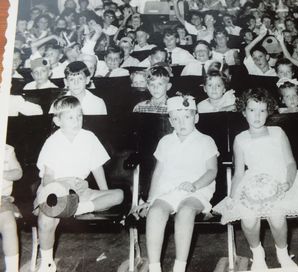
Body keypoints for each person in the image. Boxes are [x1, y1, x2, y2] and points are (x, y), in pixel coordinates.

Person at [213, 88, 298, 270]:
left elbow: (290, 163)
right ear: (244, 112)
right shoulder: (240, 139)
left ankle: (283, 254)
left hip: (280, 179)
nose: (257, 116)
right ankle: (257, 254)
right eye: (252, 110)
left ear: (268, 111)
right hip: (252, 182)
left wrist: (289, 182)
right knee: (248, 218)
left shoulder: (277, 132)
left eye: (262, 110)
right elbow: (238, 173)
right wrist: (231, 197)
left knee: (277, 216)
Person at [35, 95, 124, 272]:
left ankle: (82, 208)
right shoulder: (53, 142)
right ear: (57, 121)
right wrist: (61, 189)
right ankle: (46, 262)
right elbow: (48, 177)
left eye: (79, 116)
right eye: (70, 117)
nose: (77, 121)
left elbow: (97, 167)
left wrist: (103, 191)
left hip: (80, 189)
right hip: (55, 189)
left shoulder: (89, 137)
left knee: (119, 195)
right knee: (46, 219)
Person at [141, 95, 219, 272]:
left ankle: (179, 267)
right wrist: (150, 199)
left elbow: (212, 171)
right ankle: (154, 267)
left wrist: (195, 185)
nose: (181, 123)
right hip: (169, 190)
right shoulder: (165, 142)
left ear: (196, 117)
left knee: (185, 211)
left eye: (187, 117)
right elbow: (159, 172)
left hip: (197, 191)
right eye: (176, 119)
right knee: (155, 212)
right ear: (170, 121)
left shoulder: (205, 141)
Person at [1, 145, 23, 272]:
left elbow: (18, 173)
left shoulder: (7, 150)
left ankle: (12, 269)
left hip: (2, 199)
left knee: (9, 224)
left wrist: (2, 173)